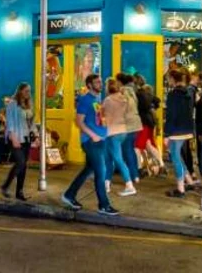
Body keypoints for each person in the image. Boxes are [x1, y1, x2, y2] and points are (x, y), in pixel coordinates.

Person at [61, 75, 119, 216]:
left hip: (101, 140)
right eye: (97, 82)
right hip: (91, 141)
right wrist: (93, 135)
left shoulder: (97, 100)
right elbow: (79, 121)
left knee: (88, 170)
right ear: (89, 85)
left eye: (100, 82)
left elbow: (98, 120)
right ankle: (103, 205)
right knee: (101, 172)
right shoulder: (85, 100)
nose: (100, 84)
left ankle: (69, 195)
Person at [101, 79, 136, 196]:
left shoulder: (108, 100)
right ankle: (106, 183)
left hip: (112, 132)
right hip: (123, 131)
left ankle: (129, 185)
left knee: (116, 159)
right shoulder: (125, 99)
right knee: (110, 157)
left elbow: (103, 116)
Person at [163, 69, 194, 198]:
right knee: (178, 156)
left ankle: (180, 189)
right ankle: (189, 181)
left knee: (175, 157)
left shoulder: (173, 94)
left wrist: (166, 134)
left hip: (175, 130)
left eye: (168, 79)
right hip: (186, 128)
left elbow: (171, 115)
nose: (167, 81)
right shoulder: (189, 92)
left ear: (172, 79)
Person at [1, 83, 34, 200]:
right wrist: (13, 137)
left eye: (29, 91)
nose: (28, 93)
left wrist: (36, 135)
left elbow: (31, 122)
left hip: (26, 138)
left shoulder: (28, 104)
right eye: (25, 91)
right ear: (19, 91)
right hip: (15, 137)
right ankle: (5, 186)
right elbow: (10, 122)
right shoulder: (12, 104)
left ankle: (19, 192)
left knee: (23, 166)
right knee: (20, 163)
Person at [117, 73, 143, 187]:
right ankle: (135, 175)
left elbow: (122, 109)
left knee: (126, 150)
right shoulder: (132, 92)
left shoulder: (123, 93)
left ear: (120, 82)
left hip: (127, 125)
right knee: (130, 150)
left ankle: (130, 177)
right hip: (136, 124)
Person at [135, 83, 164, 176]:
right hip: (150, 124)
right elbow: (154, 114)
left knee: (137, 147)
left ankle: (139, 168)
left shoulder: (143, 100)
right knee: (149, 145)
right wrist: (158, 125)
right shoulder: (152, 101)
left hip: (143, 124)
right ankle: (161, 164)